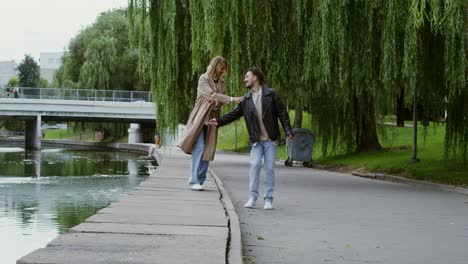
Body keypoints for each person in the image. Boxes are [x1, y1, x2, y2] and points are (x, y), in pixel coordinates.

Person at [209, 67, 292, 210]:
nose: (245, 79)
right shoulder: (246, 99)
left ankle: (268, 199)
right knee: (254, 166)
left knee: (269, 169)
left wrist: (288, 130)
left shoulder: (271, 95)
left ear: (255, 78)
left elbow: (282, 113)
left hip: (271, 139)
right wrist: (219, 121)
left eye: (247, 76)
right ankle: (252, 198)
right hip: (256, 140)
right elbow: (234, 114)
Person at [177, 56, 244, 191]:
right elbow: (210, 94)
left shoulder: (222, 82)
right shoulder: (203, 78)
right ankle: (194, 179)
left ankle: (199, 180)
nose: (223, 71)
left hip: (212, 119)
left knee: (208, 150)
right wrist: (229, 99)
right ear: (215, 66)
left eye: (224, 69)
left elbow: (219, 100)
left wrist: (218, 103)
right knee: (200, 148)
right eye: (222, 68)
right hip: (200, 118)